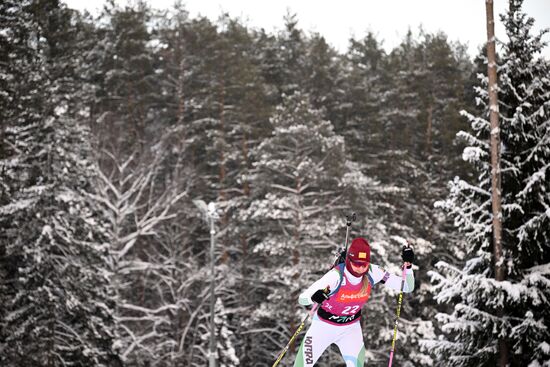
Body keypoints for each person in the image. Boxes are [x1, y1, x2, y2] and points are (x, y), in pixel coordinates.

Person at [293, 237, 415, 367]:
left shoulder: (373, 272)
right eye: (356, 264)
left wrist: (408, 266)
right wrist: (314, 297)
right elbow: (303, 298)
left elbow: (407, 286)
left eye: (364, 264)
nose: (360, 268)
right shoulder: (336, 276)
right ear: (348, 260)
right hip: (323, 327)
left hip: (350, 329)